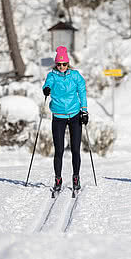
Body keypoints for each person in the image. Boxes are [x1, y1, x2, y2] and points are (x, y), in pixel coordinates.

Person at [42, 46, 89, 192]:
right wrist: (46, 89)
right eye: (59, 64)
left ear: (68, 63)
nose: (61, 67)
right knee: (59, 150)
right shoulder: (52, 76)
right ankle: (58, 179)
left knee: (76, 149)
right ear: (56, 64)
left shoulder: (75, 76)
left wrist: (84, 111)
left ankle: (76, 177)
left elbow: (82, 92)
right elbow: (47, 84)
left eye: (64, 64)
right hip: (58, 116)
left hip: (75, 115)